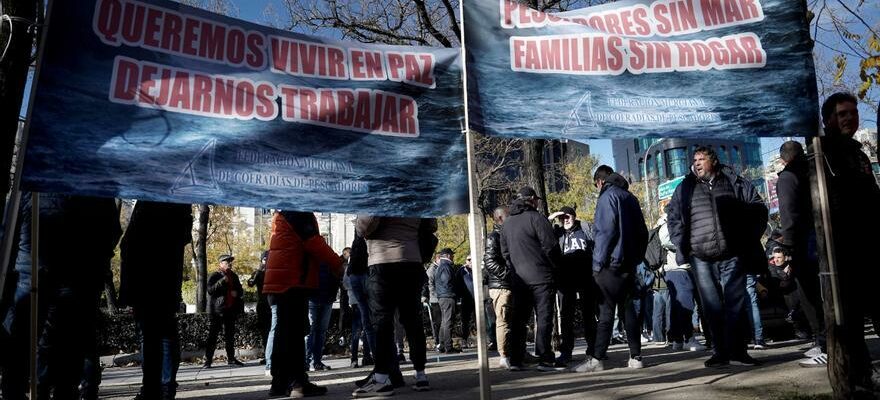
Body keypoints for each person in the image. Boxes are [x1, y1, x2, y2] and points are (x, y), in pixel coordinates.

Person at [1, 194, 121, 400]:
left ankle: (25, 389)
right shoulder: (94, 190)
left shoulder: (30, 186)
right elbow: (111, 232)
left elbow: (7, 233)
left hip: (32, 274)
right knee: (68, 352)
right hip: (72, 277)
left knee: (21, 350)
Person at [667, 146, 767, 368]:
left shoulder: (734, 182)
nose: (697, 163)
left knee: (736, 304)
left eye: (701, 159)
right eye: (694, 160)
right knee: (711, 307)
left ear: (713, 161)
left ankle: (738, 352)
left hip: (733, 253)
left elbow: (758, 208)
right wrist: (684, 245)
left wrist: (747, 238)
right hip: (700, 256)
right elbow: (673, 218)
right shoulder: (684, 188)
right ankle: (720, 352)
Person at [817, 92, 880, 392]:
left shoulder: (859, 152)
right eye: (842, 114)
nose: (849, 118)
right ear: (828, 119)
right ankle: (858, 380)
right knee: (850, 322)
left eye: (853, 113)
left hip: (869, 246)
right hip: (842, 251)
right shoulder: (822, 154)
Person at [353, 217, 435, 396]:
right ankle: (420, 375)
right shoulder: (415, 193)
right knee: (412, 320)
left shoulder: (380, 190)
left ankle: (382, 378)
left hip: (383, 262)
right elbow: (431, 223)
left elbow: (365, 225)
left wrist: (359, 223)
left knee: (382, 321)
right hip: (412, 261)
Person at [264, 211, 342, 398]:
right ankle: (298, 383)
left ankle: (279, 383)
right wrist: (339, 264)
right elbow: (315, 243)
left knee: (284, 334)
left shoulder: (283, 215)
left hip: (282, 279)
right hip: (293, 280)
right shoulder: (298, 214)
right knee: (295, 333)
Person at [119, 201, 192, 400]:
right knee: (165, 333)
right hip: (167, 277)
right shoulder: (180, 203)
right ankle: (165, 387)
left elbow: (129, 244)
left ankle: (152, 388)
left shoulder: (147, 202)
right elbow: (185, 234)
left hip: (145, 278)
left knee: (150, 336)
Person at [578, 168, 648, 372]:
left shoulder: (607, 197)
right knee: (628, 311)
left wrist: (597, 264)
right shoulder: (630, 198)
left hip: (610, 264)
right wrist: (635, 258)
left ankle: (597, 358)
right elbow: (642, 233)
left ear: (600, 181)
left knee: (606, 311)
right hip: (628, 264)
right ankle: (636, 356)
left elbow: (605, 232)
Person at [774, 140, 827, 367]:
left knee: (810, 293)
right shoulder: (814, 169)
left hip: (805, 241)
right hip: (822, 237)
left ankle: (824, 344)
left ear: (783, 159)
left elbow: (788, 213)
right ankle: (823, 341)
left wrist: (789, 244)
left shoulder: (786, 178)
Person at [500, 186, 562, 372]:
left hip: (519, 279)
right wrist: (553, 266)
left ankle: (516, 359)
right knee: (543, 318)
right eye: (535, 199)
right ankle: (545, 358)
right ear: (531, 200)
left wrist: (515, 269)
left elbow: (505, 253)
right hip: (541, 277)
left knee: (519, 319)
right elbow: (551, 246)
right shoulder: (537, 218)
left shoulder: (508, 223)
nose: (537, 202)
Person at [548, 206, 596, 368]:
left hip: (586, 277)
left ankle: (593, 349)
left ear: (574, 216)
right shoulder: (557, 232)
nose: (565, 220)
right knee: (566, 316)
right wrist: (551, 218)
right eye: (562, 218)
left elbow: (598, 244)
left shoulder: (585, 228)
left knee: (589, 314)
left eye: (568, 216)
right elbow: (542, 235)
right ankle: (566, 351)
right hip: (565, 279)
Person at [657, 208, 705, 352]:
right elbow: (666, 240)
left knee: (677, 306)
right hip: (678, 267)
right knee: (685, 304)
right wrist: (686, 243)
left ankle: (677, 339)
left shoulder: (668, 221)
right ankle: (688, 339)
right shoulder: (669, 221)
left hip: (675, 268)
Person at [484, 206, 514, 368]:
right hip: (501, 286)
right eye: (508, 216)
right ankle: (504, 356)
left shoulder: (506, 235)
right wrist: (508, 274)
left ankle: (516, 353)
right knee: (503, 321)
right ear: (500, 218)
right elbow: (489, 262)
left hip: (508, 284)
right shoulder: (493, 237)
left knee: (512, 320)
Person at [204, 255, 245, 368]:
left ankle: (231, 359)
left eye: (230, 262)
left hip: (230, 310)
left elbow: (240, 291)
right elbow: (210, 290)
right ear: (220, 264)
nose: (229, 263)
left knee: (230, 336)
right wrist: (222, 281)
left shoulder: (234, 276)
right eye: (227, 261)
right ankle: (208, 360)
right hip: (217, 311)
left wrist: (237, 293)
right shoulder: (215, 275)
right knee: (213, 336)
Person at [306, 258, 340, 371]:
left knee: (318, 331)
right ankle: (310, 362)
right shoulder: (311, 254)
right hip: (315, 298)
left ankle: (315, 362)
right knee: (313, 331)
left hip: (324, 298)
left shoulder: (325, 256)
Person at [344, 253, 372, 369]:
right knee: (364, 329)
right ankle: (363, 357)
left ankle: (356, 358)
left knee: (358, 330)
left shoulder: (349, 269)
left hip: (355, 301)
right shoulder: (364, 269)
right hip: (361, 301)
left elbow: (345, 284)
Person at [246, 250, 271, 365]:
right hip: (263, 305)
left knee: (273, 331)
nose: (266, 262)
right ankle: (268, 355)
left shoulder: (272, 272)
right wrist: (253, 277)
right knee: (265, 332)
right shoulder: (259, 273)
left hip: (271, 304)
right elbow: (250, 283)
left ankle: (272, 356)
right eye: (265, 259)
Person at [433, 248, 459, 354]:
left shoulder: (441, 266)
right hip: (447, 296)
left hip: (443, 296)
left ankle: (443, 345)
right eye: (452, 255)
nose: (453, 256)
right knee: (448, 322)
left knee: (444, 321)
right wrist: (453, 291)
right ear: (448, 255)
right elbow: (447, 281)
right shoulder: (446, 266)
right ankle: (448, 346)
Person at [423, 255, 443, 351]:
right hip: (435, 299)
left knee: (442, 321)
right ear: (437, 259)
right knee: (437, 322)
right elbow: (430, 285)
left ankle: (441, 341)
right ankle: (438, 341)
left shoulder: (439, 268)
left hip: (439, 298)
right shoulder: (431, 270)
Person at [456, 256, 476, 349]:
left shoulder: (477, 269)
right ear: (466, 261)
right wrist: (459, 297)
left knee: (479, 320)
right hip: (466, 299)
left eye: (472, 259)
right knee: (465, 320)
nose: (471, 261)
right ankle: (464, 340)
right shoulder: (461, 271)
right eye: (469, 259)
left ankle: (482, 339)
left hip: (477, 299)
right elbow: (457, 284)